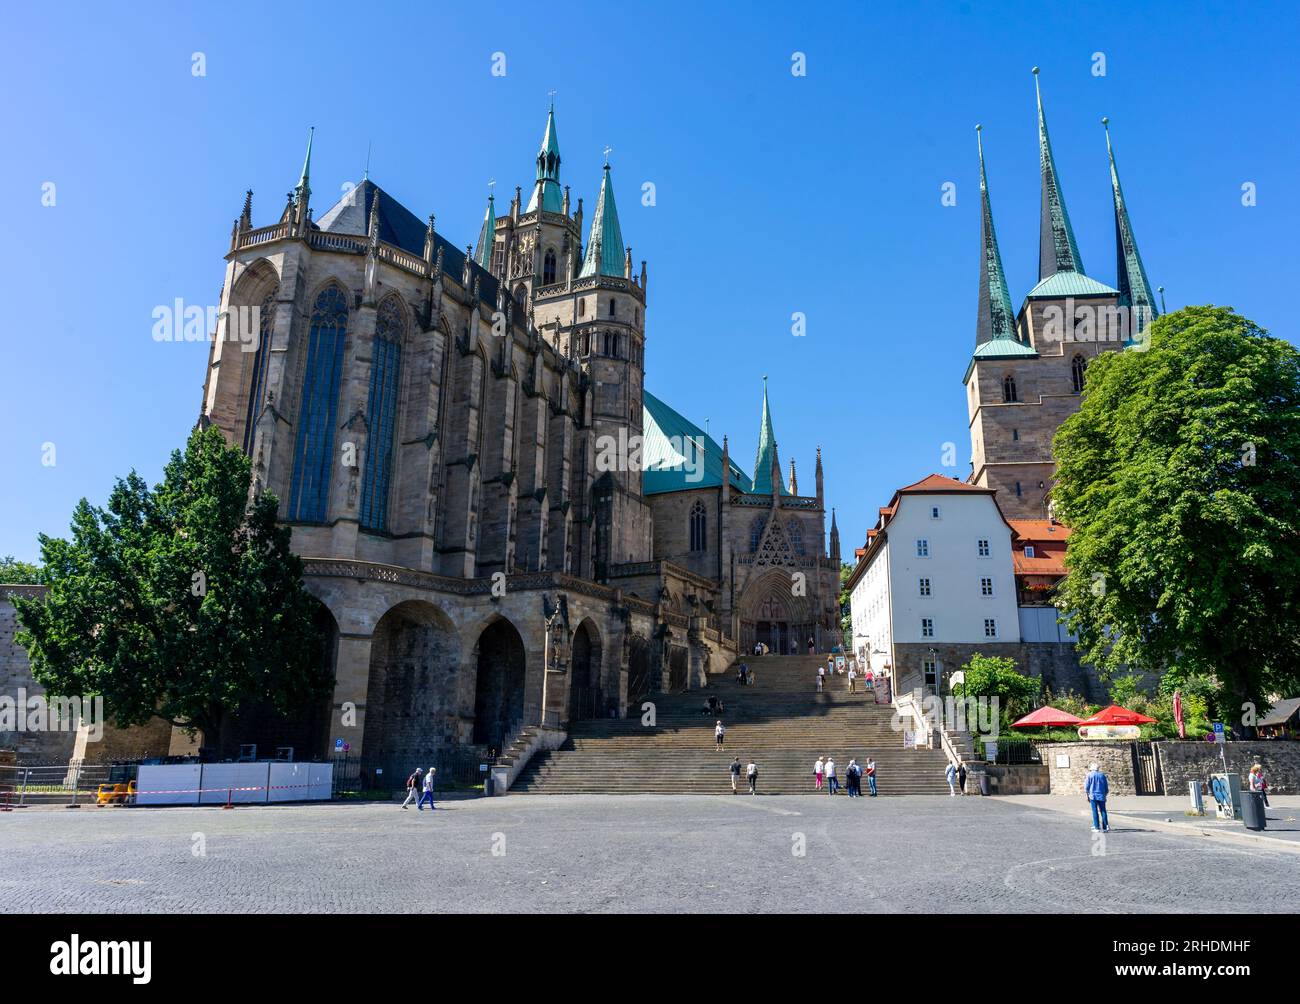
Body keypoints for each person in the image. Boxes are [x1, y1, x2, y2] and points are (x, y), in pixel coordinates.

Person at [1084, 761, 1109, 833]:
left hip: (1093, 795)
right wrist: (1105, 795)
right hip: (1101, 795)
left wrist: (1087, 796)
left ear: (1091, 768)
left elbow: (1087, 787)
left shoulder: (1089, 775)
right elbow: (1106, 787)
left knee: (1095, 811)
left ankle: (1096, 826)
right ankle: (1105, 826)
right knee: (1103, 811)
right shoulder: (1102, 775)